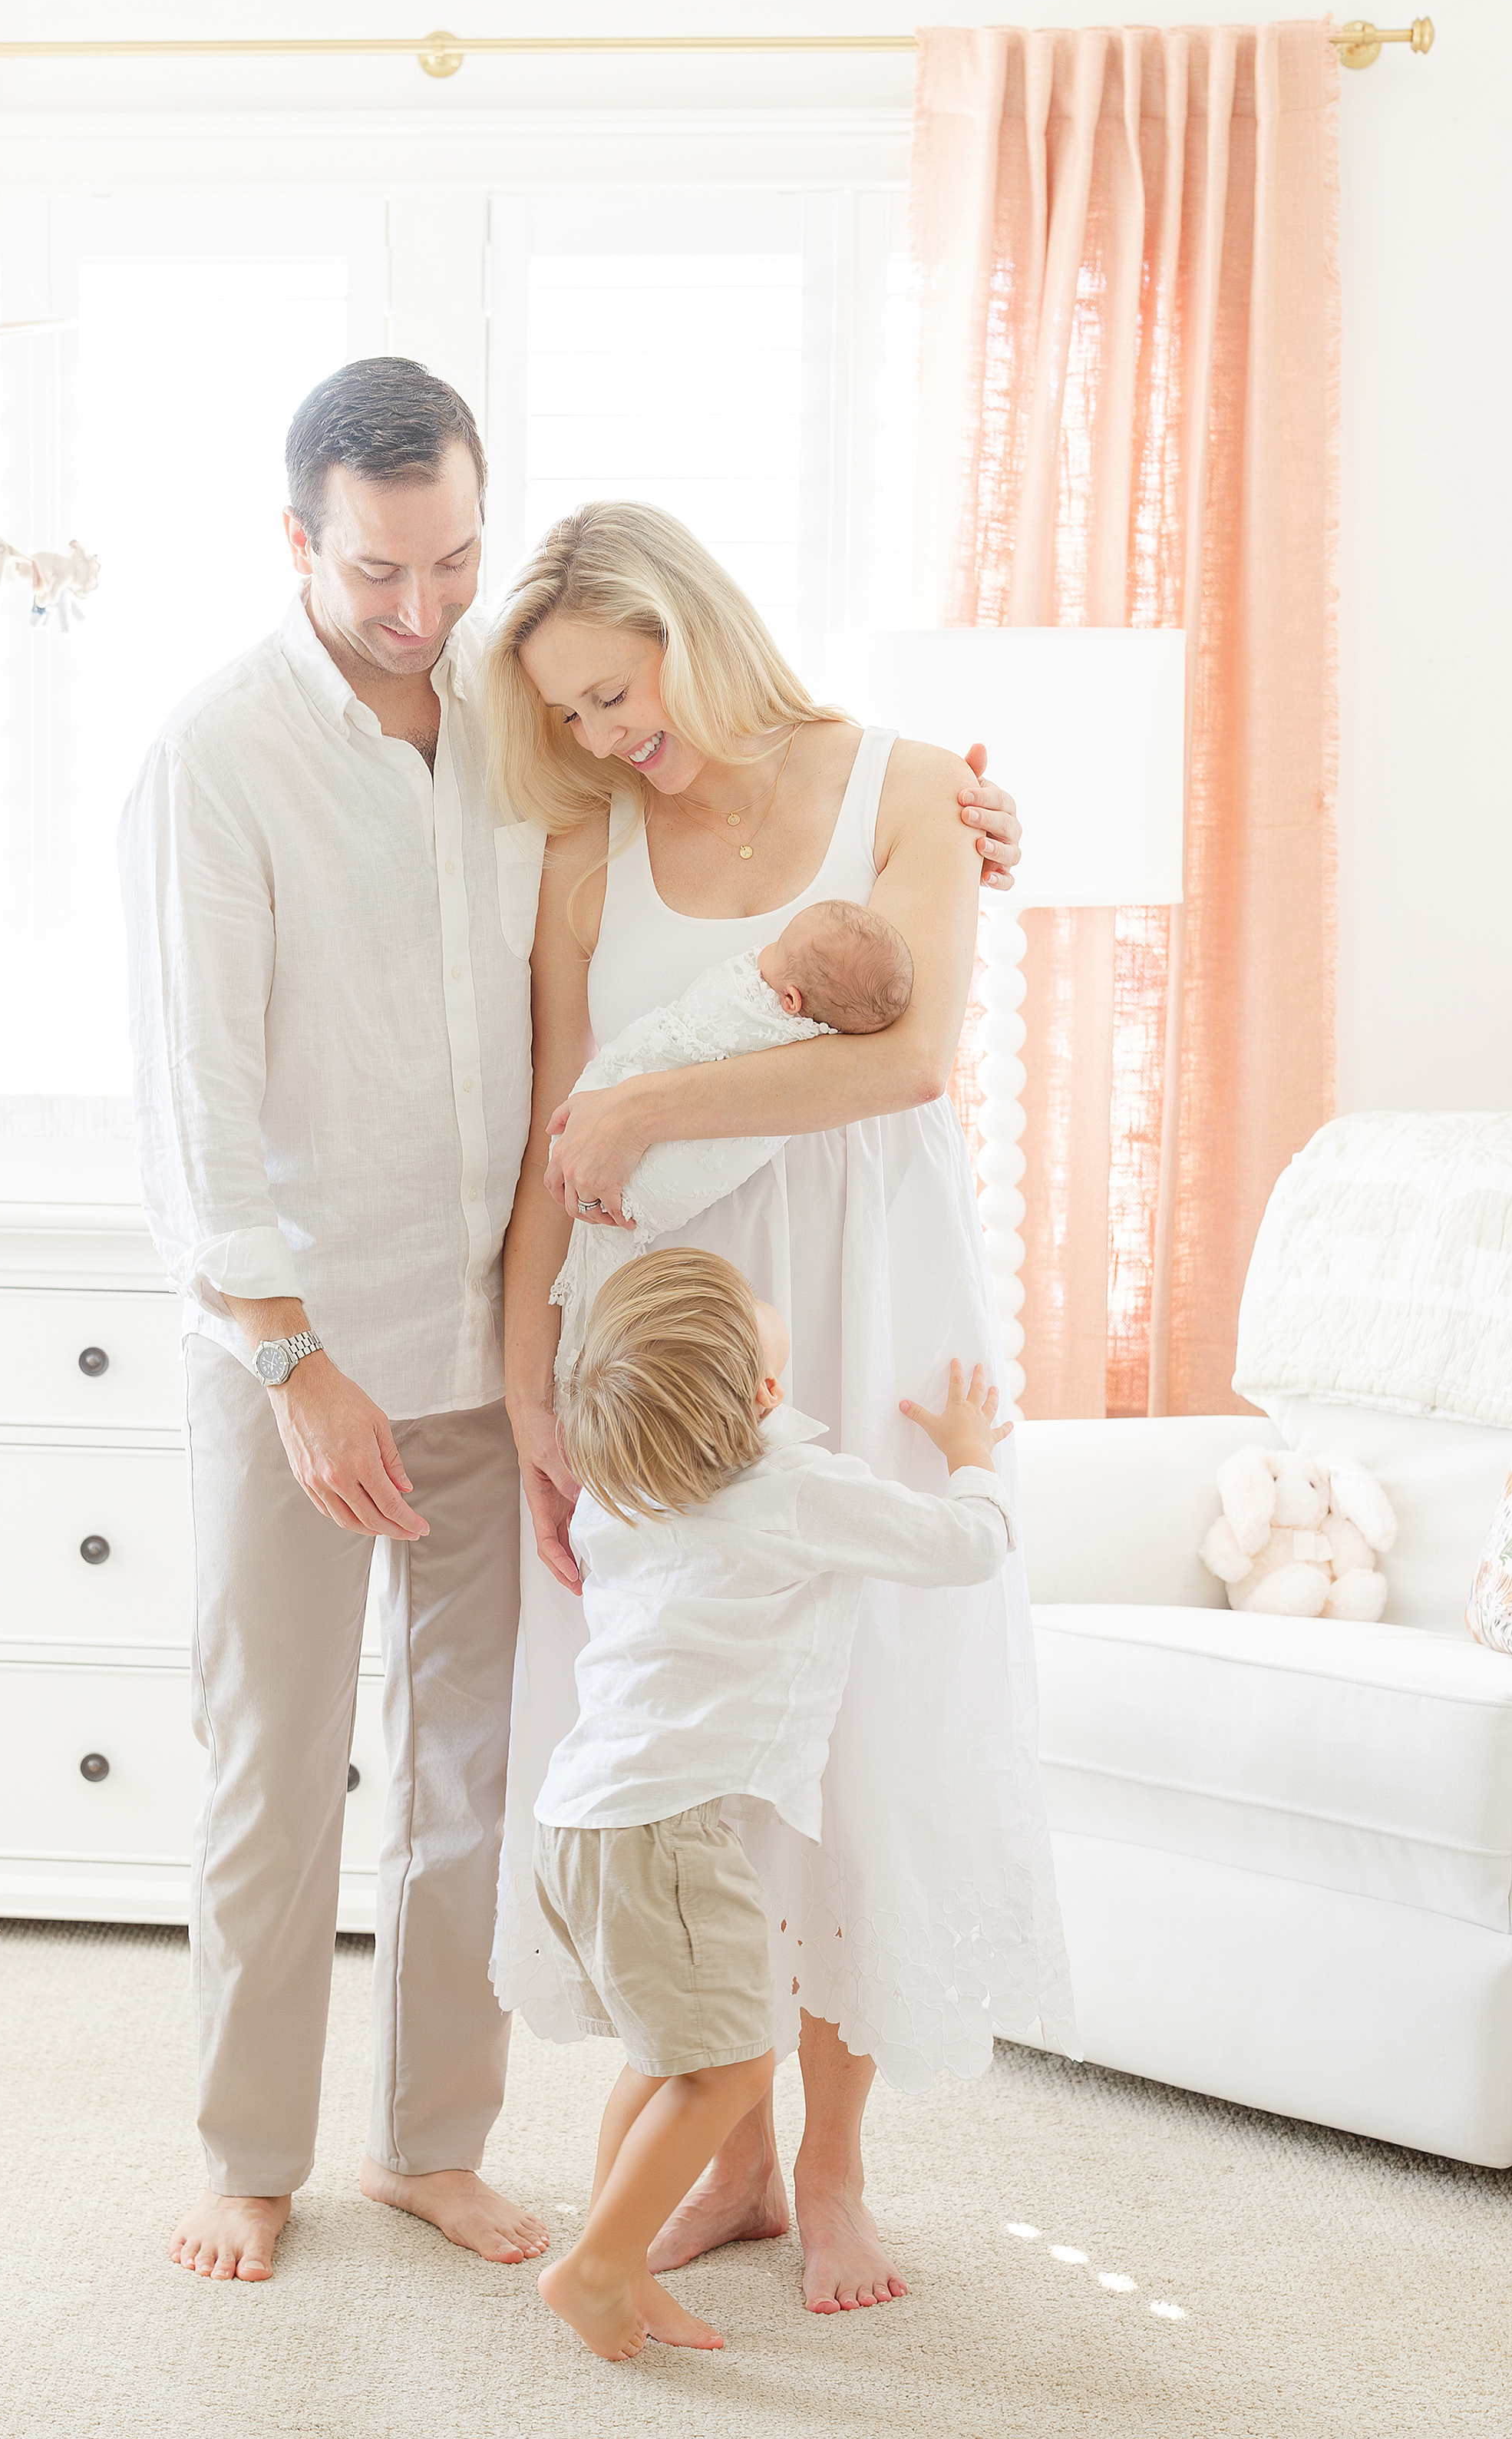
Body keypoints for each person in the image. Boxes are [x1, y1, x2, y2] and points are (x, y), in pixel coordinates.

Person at [116, 358, 1027, 2285]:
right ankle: (246, 2150)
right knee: (276, 1763)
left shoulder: (522, 717)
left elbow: (764, 917)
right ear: (300, 541)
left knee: (481, 1772)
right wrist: (291, 1359)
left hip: (517, 1337)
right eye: (379, 572)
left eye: (452, 558)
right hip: (311, 1344)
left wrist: (949, 820)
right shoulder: (216, 755)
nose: (423, 608)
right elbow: (195, 1097)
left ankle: (430, 2141)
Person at [487, 499, 1075, 2318]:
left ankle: (826, 2157)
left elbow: (904, 1052)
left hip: (867, 1283)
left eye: (609, 691)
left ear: (686, 626)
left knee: (870, 1711)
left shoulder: (904, 784)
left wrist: (660, 1112)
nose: (597, 735)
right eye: (566, 715)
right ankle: (723, 2148)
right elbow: (549, 1130)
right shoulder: (590, 845)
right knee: (694, 1709)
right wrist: (528, 1380)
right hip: (657, 1334)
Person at [532, 1248, 1015, 2361]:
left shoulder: (622, 1488)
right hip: (662, 1837)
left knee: (663, 2061)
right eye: (756, 1318)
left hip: (581, 1819)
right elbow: (967, 1546)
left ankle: (617, 2260)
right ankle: (596, 2268)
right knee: (733, 2063)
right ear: (759, 1396)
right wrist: (971, 1456)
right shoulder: (795, 1487)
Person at [547, 897, 914, 1374]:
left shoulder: (770, 1019)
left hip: (733, 1256)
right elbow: (671, 1038)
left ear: (791, 1002)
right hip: (694, 1274)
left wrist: (628, 1110)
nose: (760, 953)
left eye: (779, 948)